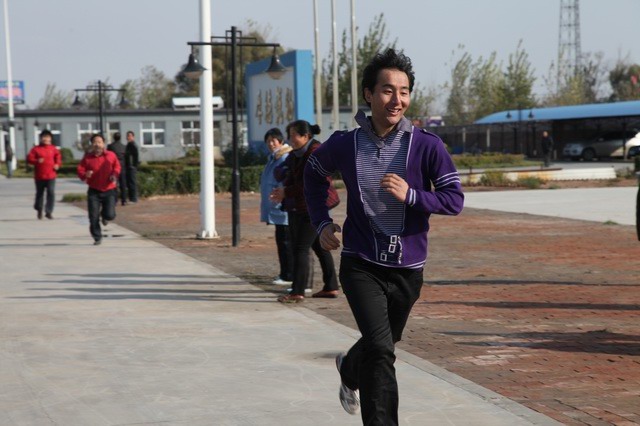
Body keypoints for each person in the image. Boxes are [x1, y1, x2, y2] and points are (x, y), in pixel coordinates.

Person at [303, 48, 464, 424]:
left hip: (408, 268)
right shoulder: (345, 143)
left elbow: (454, 199)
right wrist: (322, 223)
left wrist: (412, 195)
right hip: (361, 263)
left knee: (384, 343)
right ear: (369, 94)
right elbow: (312, 173)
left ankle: (349, 369)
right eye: (388, 90)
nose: (397, 100)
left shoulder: (427, 145)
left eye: (404, 92)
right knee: (381, 351)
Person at [271, 120, 340, 303]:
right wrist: (282, 185)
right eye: (289, 135)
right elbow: (288, 175)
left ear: (306, 136)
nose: (290, 139)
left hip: (314, 206)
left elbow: (309, 183)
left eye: (293, 135)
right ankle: (331, 286)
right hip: (302, 205)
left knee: (300, 248)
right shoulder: (296, 154)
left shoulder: (315, 153)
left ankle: (297, 291)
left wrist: (286, 192)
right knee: (319, 246)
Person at [260, 128, 294, 285]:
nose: (271, 144)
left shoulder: (284, 157)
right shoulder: (274, 157)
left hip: (282, 207)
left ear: (281, 141)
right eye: (268, 141)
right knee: (282, 241)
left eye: (273, 140)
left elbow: (284, 181)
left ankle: (288, 275)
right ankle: (285, 273)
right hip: (276, 207)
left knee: (286, 242)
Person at [77, 134, 121, 245]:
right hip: (94, 191)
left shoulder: (111, 155)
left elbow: (117, 166)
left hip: (109, 189)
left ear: (103, 143)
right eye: (95, 142)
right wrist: (85, 174)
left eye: (99, 142)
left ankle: (105, 216)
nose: (97, 144)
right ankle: (97, 237)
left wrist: (114, 174)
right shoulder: (88, 157)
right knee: (93, 216)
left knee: (110, 215)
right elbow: (80, 170)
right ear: (92, 144)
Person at [27, 129, 62, 219]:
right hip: (39, 176)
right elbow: (29, 159)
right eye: (44, 137)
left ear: (50, 139)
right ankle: (39, 209)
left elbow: (58, 157)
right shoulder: (36, 149)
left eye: (47, 137)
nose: (45, 139)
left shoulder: (53, 149)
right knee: (40, 193)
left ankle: (48, 211)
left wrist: (57, 164)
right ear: (40, 138)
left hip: (51, 175)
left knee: (51, 192)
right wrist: (36, 161)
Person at [107, 132, 128, 205]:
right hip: (122, 166)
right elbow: (126, 157)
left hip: (113, 166)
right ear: (120, 138)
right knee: (123, 184)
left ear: (114, 138)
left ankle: (115, 200)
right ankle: (124, 200)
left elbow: (107, 156)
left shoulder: (110, 146)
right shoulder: (124, 146)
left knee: (114, 184)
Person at [124, 131, 139, 203]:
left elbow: (134, 156)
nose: (128, 137)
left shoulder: (132, 145)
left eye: (130, 136)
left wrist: (133, 165)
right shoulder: (129, 144)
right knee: (129, 183)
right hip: (129, 166)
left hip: (131, 167)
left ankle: (133, 199)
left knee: (132, 183)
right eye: (127, 136)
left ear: (133, 137)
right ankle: (131, 198)